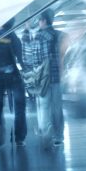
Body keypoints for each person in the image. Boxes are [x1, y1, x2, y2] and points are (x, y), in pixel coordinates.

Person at [27, 12, 64, 148]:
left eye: (40, 21)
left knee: (44, 106)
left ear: (43, 21)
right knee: (57, 107)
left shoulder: (39, 36)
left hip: (44, 78)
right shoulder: (59, 35)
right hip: (57, 76)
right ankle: (59, 136)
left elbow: (34, 59)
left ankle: (45, 132)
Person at [0, 20, 27, 146]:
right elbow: (19, 55)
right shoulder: (12, 35)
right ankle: (19, 138)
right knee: (20, 105)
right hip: (13, 74)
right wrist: (25, 69)